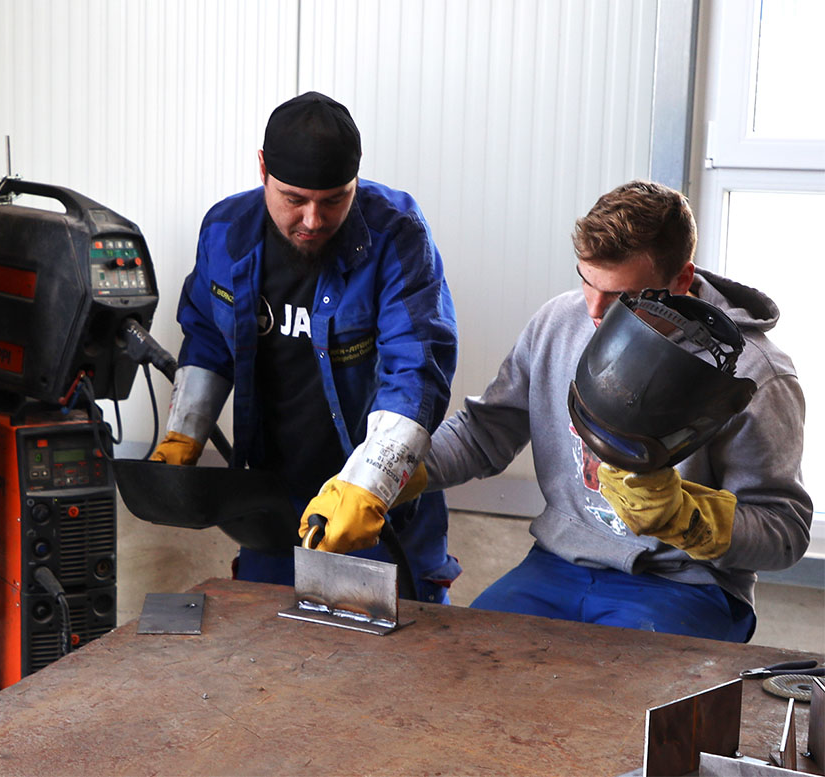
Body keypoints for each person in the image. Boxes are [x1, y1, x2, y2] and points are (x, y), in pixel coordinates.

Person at [365, 181, 809, 640]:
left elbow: (786, 532)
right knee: (461, 662)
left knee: (621, 700)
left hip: (686, 585)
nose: (593, 310)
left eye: (620, 297)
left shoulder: (755, 375)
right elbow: (483, 433)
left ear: (681, 280)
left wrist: (687, 517)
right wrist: (383, 475)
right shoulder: (560, 321)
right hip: (559, 565)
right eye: (585, 280)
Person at [152, 91, 461, 601]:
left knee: (402, 658)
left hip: (374, 497)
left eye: (334, 199)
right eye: (294, 199)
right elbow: (208, 336)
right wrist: (184, 434)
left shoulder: (396, 235)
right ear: (262, 169)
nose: (313, 220)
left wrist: (371, 483)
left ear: (356, 182)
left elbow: (417, 369)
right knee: (269, 651)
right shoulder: (227, 231)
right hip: (271, 500)